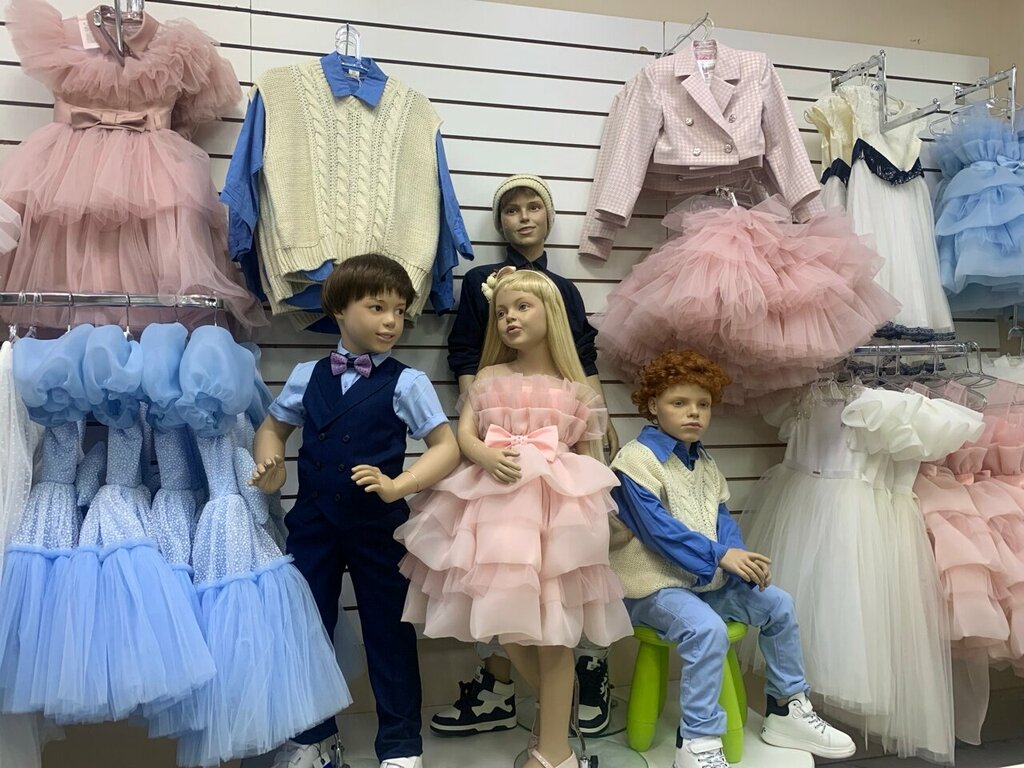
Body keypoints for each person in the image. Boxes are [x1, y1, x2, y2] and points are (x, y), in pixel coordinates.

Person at [396, 268, 632, 768]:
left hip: (557, 516)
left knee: (555, 630)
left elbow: (592, 460)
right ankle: (557, 723)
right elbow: (465, 434)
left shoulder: (577, 389)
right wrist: (483, 453)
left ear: (552, 312)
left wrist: (596, 521)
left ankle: (555, 751)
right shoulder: (488, 378)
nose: (509, 318)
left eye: (522, 307)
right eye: (502, 311)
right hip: (496, 515)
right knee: (507, 626)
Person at [250, 254, 461, 768]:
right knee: (308, 629)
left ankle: (401, 746)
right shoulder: (305, 375)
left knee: (389, 632)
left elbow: (446, 447)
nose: (391, 321)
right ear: (339, 309)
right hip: (313, 524)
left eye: (400, 311)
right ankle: (312, 736)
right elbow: (273, 428)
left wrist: (399, 485)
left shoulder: (407, 382)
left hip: (378, 526)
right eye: (377, 307)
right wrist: (270, 465)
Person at [609, 349, 856, 768]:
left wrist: (739, 562)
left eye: (703, 404)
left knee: (778, 604)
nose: (694, 413)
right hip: (653, 587)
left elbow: (721, 519)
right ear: (653, 405)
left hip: (704, 584)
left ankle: (786, 709)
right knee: (706, 630)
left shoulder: (703, 460)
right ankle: (697, 742)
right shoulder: (635, 460)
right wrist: (722, 555)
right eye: (679, 402)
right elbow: (657, 531)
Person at [436, 174, 617, 738]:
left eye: (533, 206)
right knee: (504, 605)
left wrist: (598, 418)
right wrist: (484, 427)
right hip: (498, 497)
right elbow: (467, 366)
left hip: (553, 503)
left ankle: (556, 728)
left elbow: (582, 357)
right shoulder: (481, 293)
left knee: (552, 605)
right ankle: (546, 715)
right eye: (510, 209)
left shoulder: (563, 300)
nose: (510, 318)